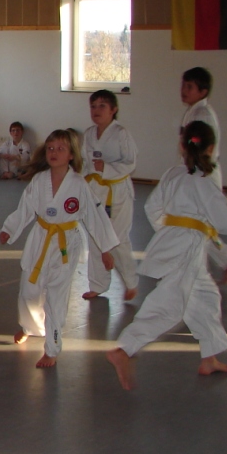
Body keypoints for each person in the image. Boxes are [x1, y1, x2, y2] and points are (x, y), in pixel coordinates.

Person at [107, 121, 227, 390]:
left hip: (176, 241)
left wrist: (170, 229)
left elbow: (152, 207)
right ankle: (124, 349)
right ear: (212, 148)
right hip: (186, 248)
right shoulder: (204, 181)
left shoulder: (173, 174)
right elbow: (225, 219)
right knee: (169, 307)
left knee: (205, 298)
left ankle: (209, 358)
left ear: (182, 146)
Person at [0, 129, 119, 369]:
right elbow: (25, 208)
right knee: (29, 291)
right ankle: (31, 327)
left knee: (56, 296)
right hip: (40, 238)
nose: (54, 153)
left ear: (72, 155)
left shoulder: (79, 184)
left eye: (61, 149)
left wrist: (106, 249)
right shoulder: (39, 181)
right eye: (51, 148)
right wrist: (10, 229)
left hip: (66, 243)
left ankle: (52, 348)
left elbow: (95, 217)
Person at [180, 67, 227, 284]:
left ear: (203, 91)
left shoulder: (203, 114)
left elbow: (200, 145)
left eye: (189, 87)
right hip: (196, 171)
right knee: (198, 222)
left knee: (199, 222)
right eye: (183, 85)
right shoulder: (193, 112)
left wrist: (193, 168)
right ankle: (226, 259)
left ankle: (219, 262)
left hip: (203, 171)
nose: (184, 90)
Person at [81, 91, 138, 300]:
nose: (96, 110)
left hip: (117, 191)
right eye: (93, 106)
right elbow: (84, 163)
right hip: (96, 190)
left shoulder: (121, 133)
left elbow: (130, 163)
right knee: (96, 236)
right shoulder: (89, 134)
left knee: (117, 239)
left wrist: (106, 167)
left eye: (102, 106)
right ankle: (98, 284)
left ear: (114, 110)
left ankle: (131, 282)